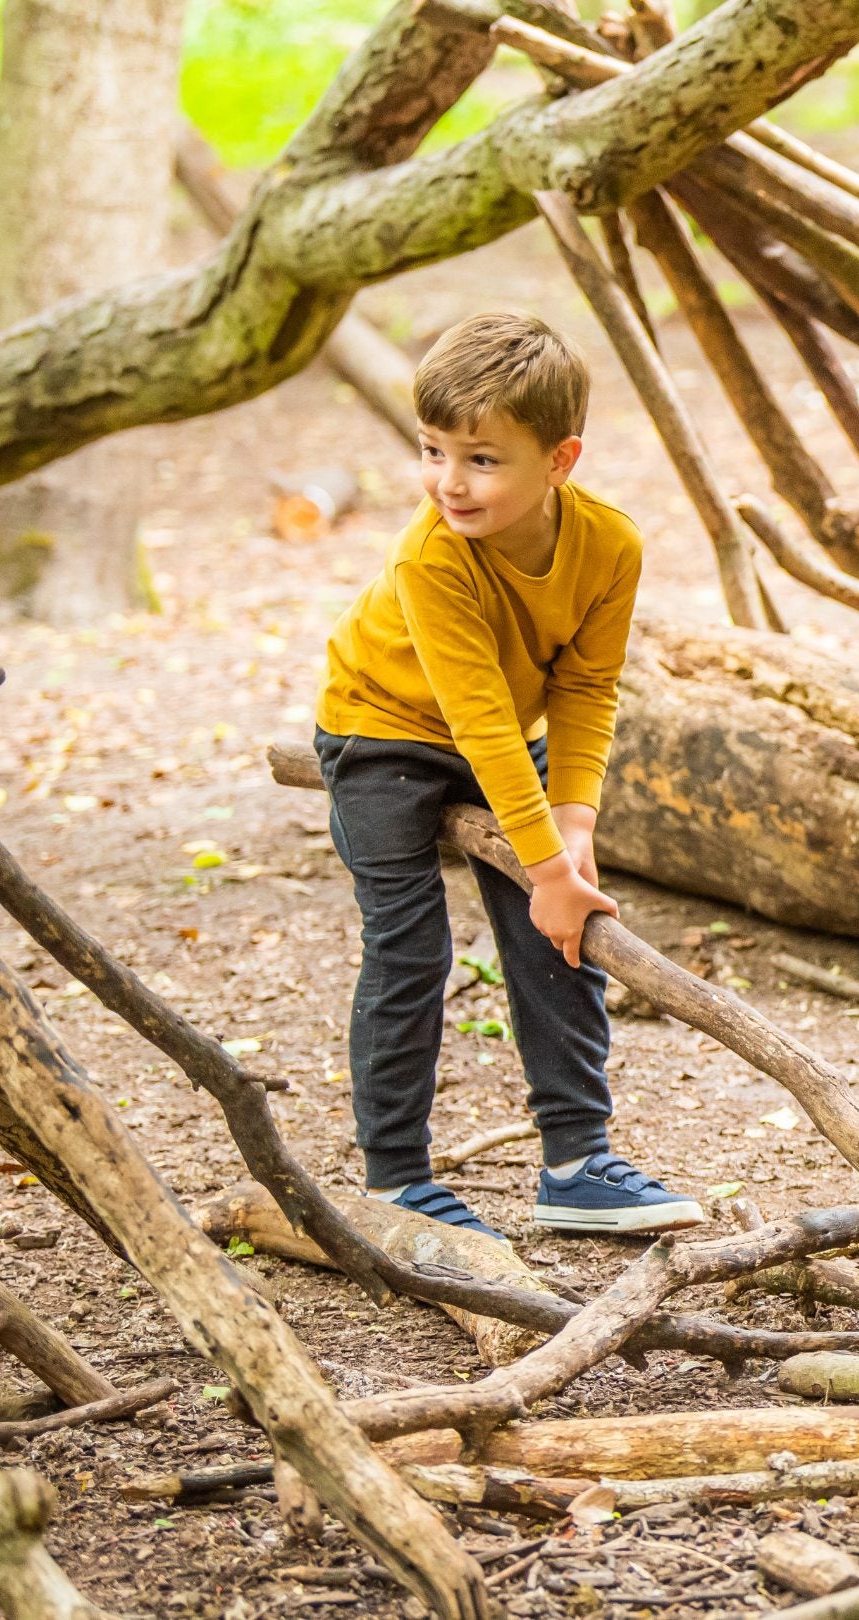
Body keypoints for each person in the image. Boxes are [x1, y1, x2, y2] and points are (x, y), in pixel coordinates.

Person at [313, 312, 700, 1239]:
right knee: (410, 949)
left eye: (482, 459)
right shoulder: (432, 556)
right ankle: (395, 1182)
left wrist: (572, 834)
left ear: (560, 461)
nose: (450, 481)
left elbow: (585, 685)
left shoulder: (610, 545)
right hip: (382, 731)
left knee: (561, 934)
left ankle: (577, 1162)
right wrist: (547, 866)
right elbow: (478, 717)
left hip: (493, 742)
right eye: (433, 450)